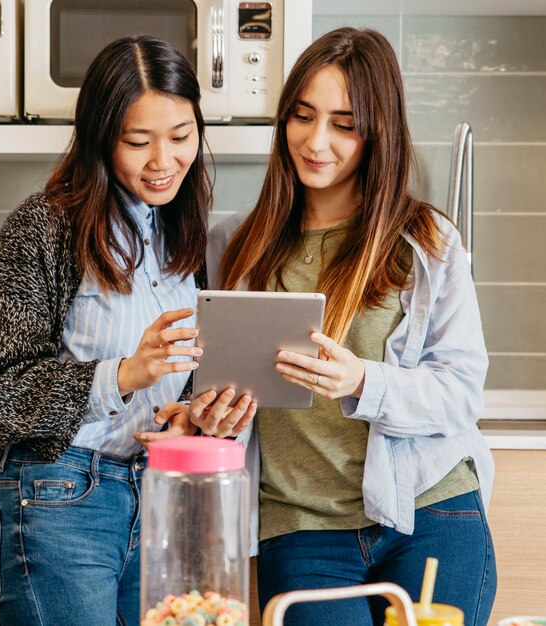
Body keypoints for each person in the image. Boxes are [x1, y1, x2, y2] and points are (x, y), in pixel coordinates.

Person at [0, 36, 254, 626]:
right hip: (62, 495)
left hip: (159, 494)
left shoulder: (181, 238)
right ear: (101, 138)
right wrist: (126, 373)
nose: (163, 160)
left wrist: (195, 414)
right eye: (138, 141)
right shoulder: (43, 227)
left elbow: (175, 388)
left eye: (181, 137)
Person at [195, 27, 497, 626]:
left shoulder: (427, 243)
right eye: (303, 117)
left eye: (344, 123)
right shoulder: (231, 245)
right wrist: (211, 418)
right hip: (301, 527)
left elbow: (461, 392)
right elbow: (205, 388)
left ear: (377, 134)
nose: (316, 140)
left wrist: (363, 380)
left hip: (428, 513)